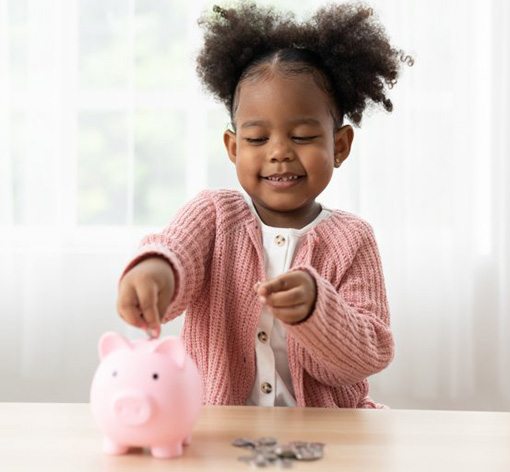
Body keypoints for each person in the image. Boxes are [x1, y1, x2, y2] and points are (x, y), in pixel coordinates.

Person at [117, 1, 410, 408]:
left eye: (303, 136)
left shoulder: (353, 238)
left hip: (328, 434)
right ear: (233, 148)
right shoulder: (213, 216)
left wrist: (316, 309)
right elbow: (174, 253)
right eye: (257, 139)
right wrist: (156, 271)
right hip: (219, 430)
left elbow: (365, 358)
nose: (279, 153)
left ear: (339, 146)